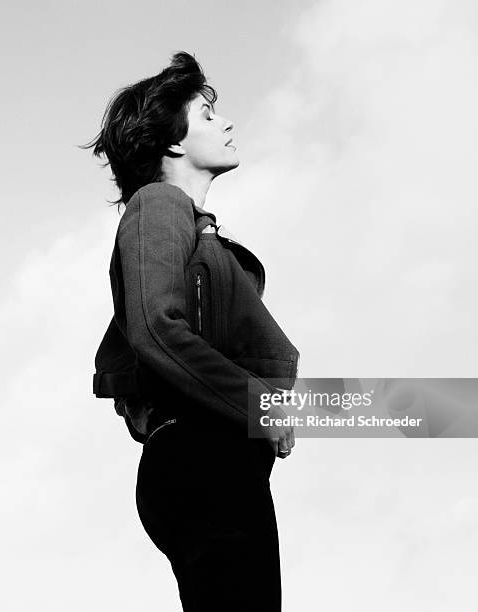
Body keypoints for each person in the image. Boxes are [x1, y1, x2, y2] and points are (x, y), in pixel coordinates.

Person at [85, 51, 299, 612]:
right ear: (173, 141)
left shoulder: (195, 231)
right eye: (206, 115)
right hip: (201, 457)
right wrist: (257, 403)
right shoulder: (157, 205)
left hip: (226, 463)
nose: (226, 122)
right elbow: (156, 328)